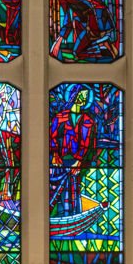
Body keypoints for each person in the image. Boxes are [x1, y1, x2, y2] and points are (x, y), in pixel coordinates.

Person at [49, 85, 97, 217]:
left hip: (77, 162)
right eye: (81, 95)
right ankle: (58, 215)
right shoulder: (60, 117)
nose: (83, 99)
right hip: (60, 161)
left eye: (86, 96)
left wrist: (80, 162)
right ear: (73, 95)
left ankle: (72, 214)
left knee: (73, 189)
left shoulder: (88, 121)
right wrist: (55, 155)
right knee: (57, 189)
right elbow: (52, 136)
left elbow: (89, 144)